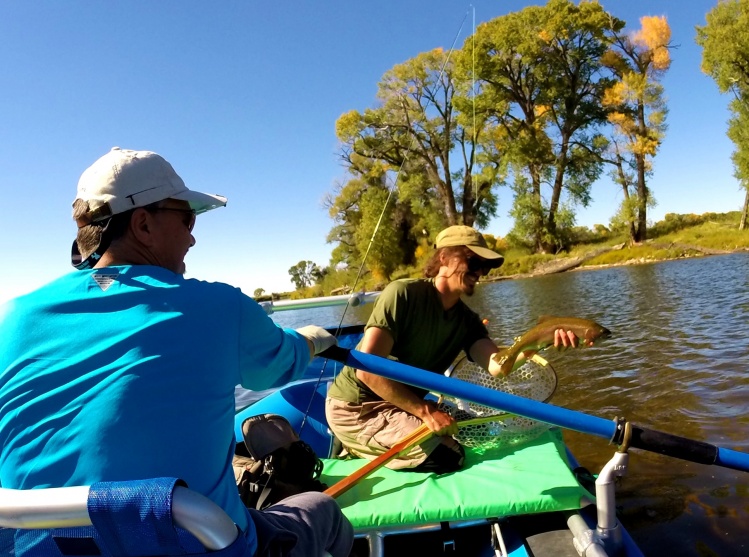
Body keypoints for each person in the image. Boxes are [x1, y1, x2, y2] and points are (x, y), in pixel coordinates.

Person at [0, 147, 353, 557]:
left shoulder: (14, 317)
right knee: (322, 509)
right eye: (186, 218)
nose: (192, 235)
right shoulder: (219, 308)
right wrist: (314, 338)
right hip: (202, 540)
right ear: (143, 224)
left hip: (43, 546)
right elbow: (282, 364)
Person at [325, 225, 583, 473]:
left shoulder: (467, 320)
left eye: (485, 266)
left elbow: (497, 366)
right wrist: (425, 412)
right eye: (473, 261)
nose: (480, 272)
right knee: (449, 455)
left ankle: (382, 440)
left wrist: (542, 339)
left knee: (479, 431)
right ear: (444, 257)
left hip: (402, 404)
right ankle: (354, 446)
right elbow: (367, 371)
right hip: (357, 407)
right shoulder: (402, 294)